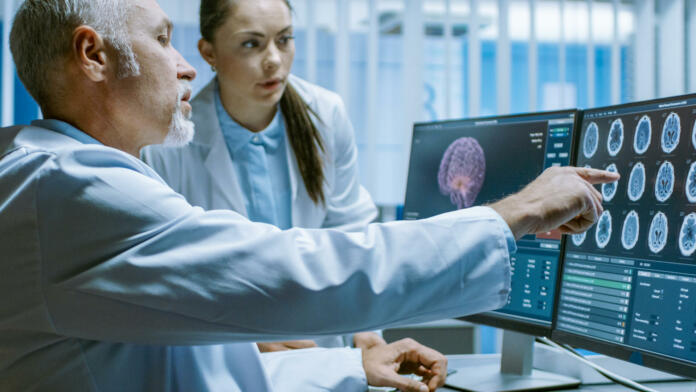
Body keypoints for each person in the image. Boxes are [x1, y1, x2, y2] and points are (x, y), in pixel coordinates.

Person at [0, 0, 617, 391]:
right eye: (164, 40)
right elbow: (293, 273)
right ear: (93, 56)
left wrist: (354, 364)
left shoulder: (67, 172)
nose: (186, 66)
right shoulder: (72, 190)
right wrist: (515, 212)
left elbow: (199, 366)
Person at [143, 0, 393, 354]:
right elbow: (167, 273)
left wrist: (367, 330)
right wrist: (240, 337)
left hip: (322, 344)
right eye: (251, 44)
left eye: (285, 39)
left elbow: (352, 235)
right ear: (208, 52)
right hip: (225, 351)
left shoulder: (326, 115)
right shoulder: (169, 141)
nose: (274, 59)